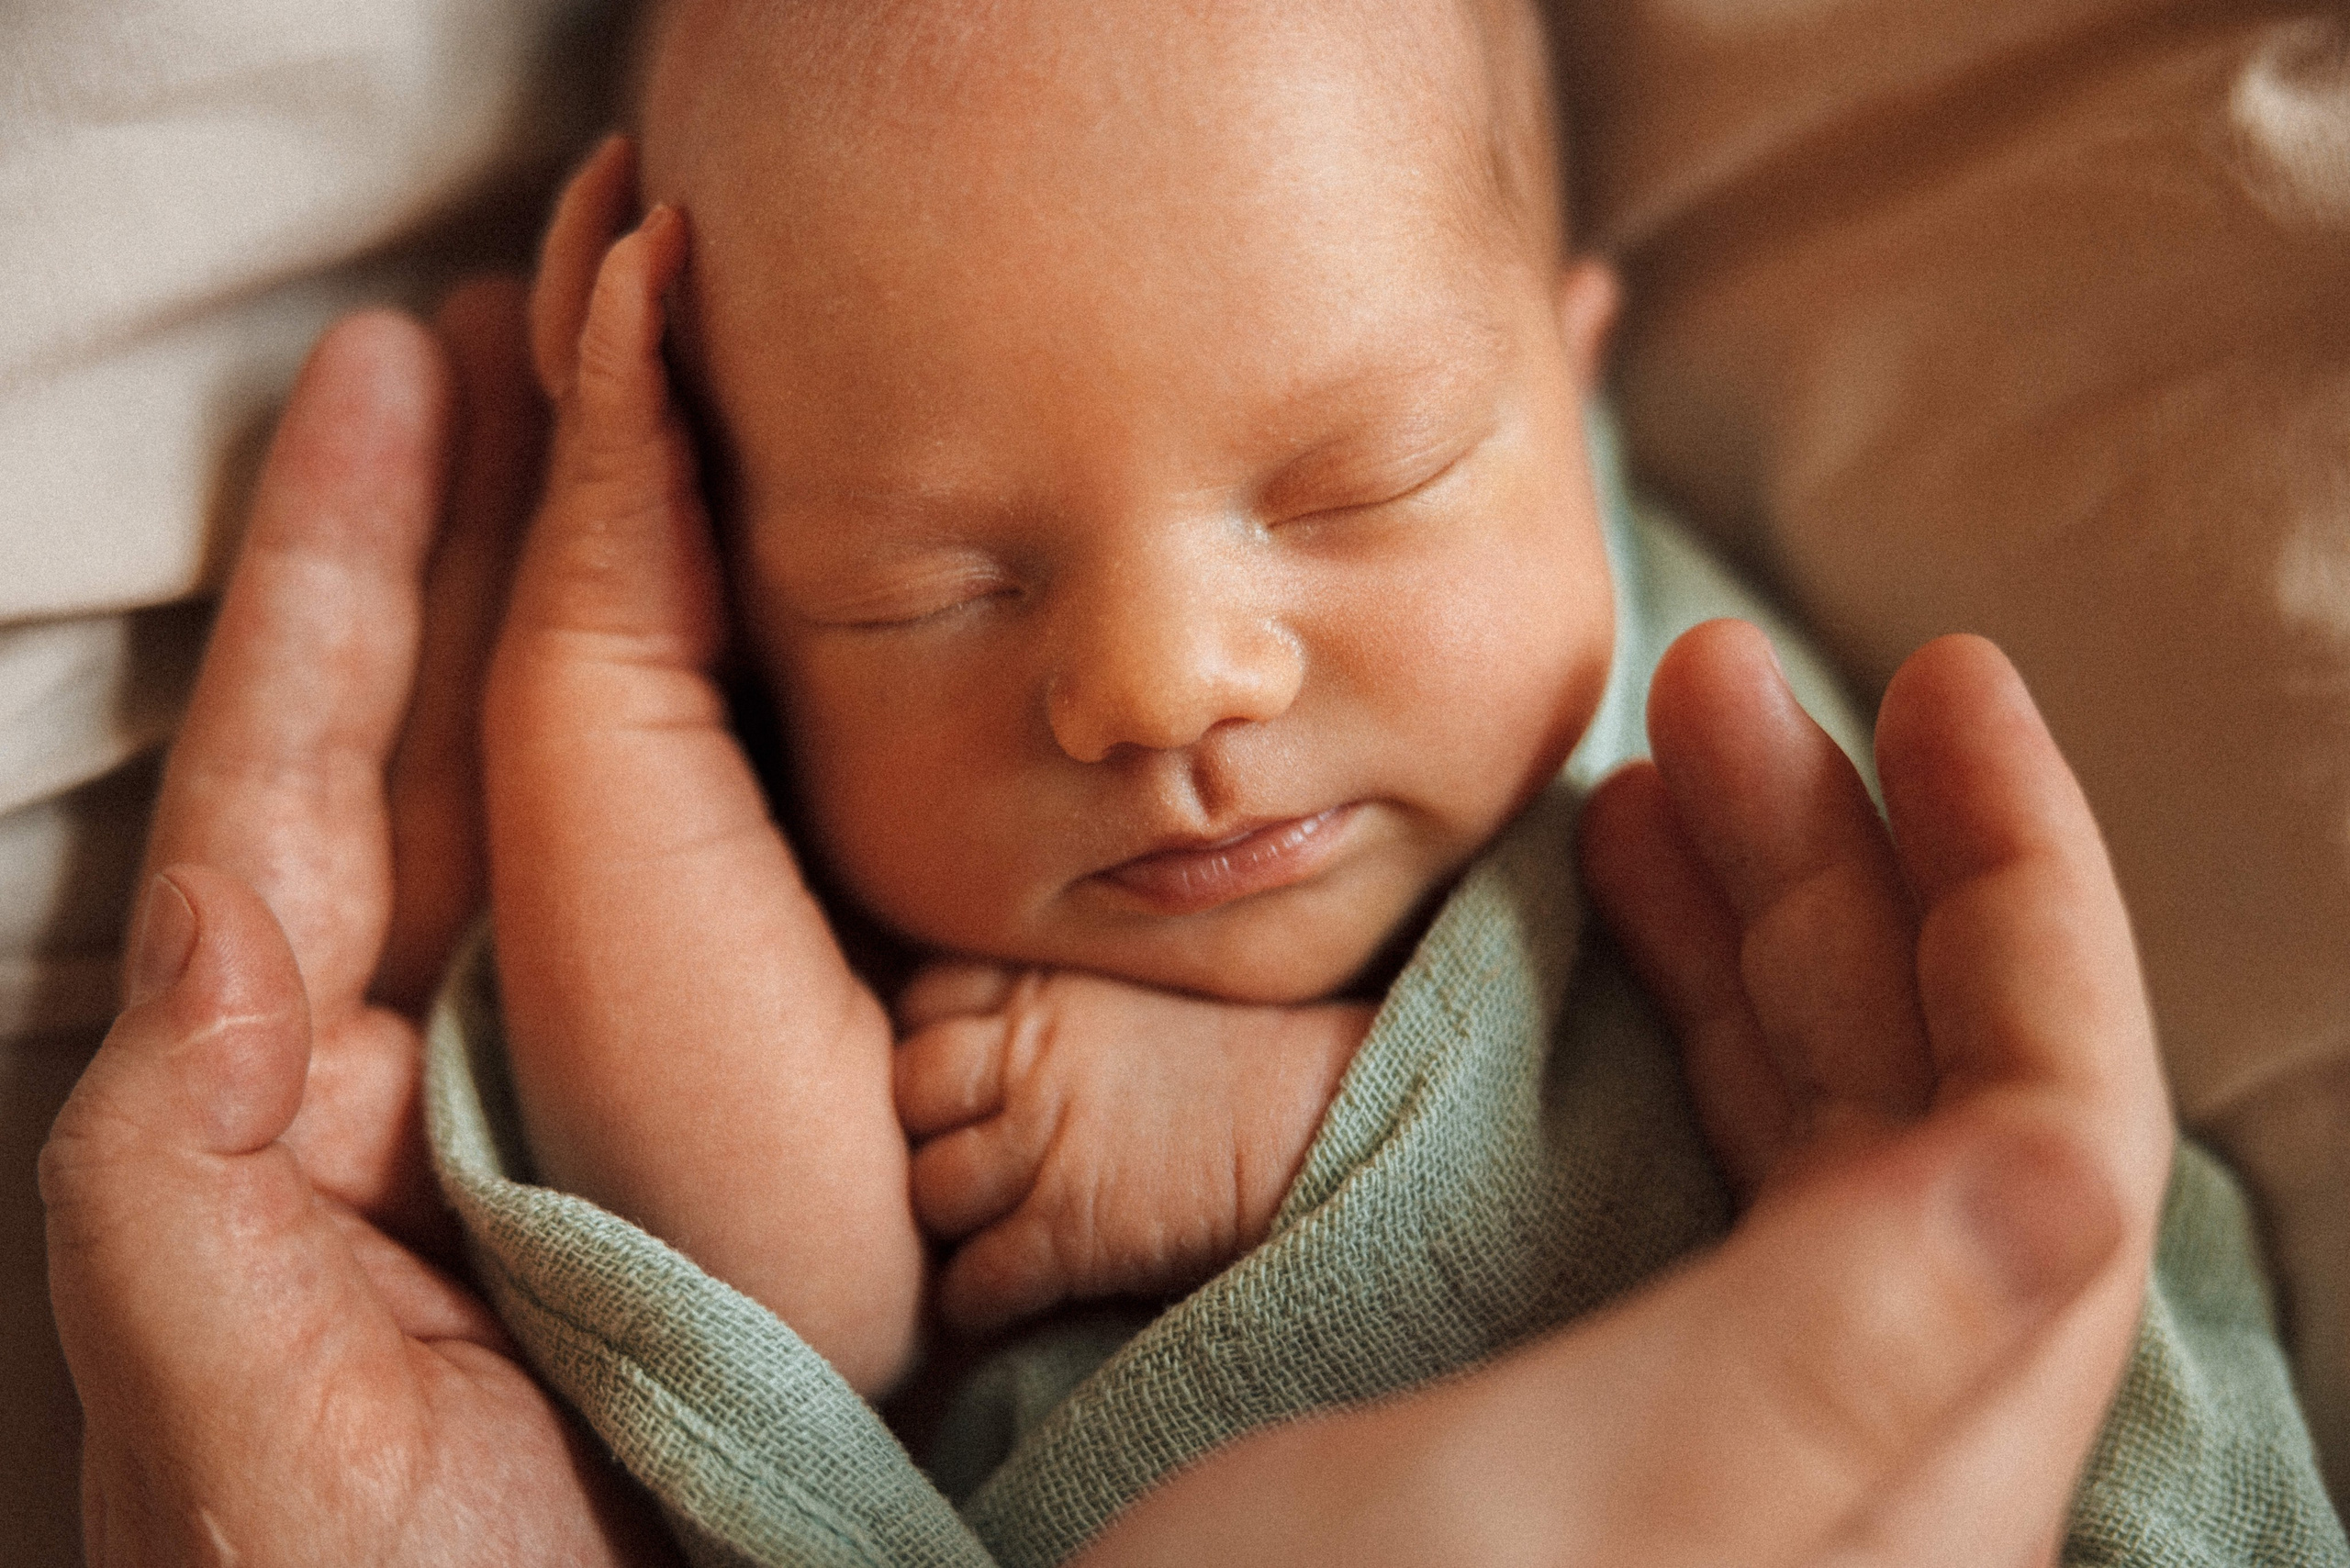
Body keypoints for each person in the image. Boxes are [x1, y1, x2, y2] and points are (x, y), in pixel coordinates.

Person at [38, 2, 2337, 1564]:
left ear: (1571, 390)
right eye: (918, 591)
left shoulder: (1679, 752)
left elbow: (1772, 1184)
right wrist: (604, 655)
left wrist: (1263, 1135)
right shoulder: (840, 923)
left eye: (1357, 482)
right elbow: (795, 1308)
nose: (1155, 684)